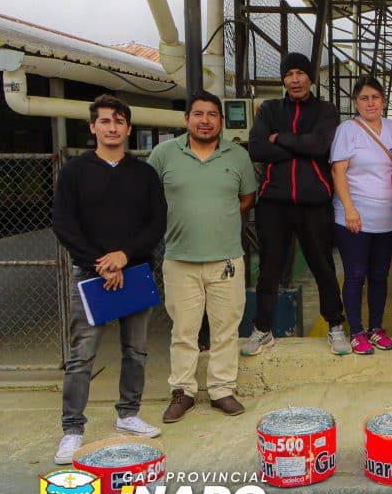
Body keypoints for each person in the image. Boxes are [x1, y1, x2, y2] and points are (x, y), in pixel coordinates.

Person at [51, 94, 167, 464]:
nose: (112, 127)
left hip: (134, 272)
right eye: (105, 121)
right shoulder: (74, 172)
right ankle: (72, 431)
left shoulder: (144, 173)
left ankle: (128, 414)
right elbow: (64, 225)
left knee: (136, 350)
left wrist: (124, 257)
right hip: (90, 274)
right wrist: (101, 263)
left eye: (119, 121)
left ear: (128, 128)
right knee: (82, 356)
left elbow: (157, 223)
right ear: (93, 127)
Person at [149, 91, 257, 422]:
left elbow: (246, 198)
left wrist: (217, 224)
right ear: (187, 120)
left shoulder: (237, 155)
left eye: (212, 114)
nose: (205, 120)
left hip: (226, 259)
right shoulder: (164, 154)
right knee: (185, 329)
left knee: (226, 327)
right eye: (198, 114)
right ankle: (183, 391)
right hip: (179, 259)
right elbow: (149, 196)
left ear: (221, 122)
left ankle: (222, 389)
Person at [243, 52, 348, 357]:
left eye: (301, 73)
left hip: (314, 202)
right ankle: (263, 329)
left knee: (323, 266)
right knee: (269, 268)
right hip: (273, 202)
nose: (295, 79)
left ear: (311, 78)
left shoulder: (325, 110)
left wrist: (281, 138)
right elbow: (257, 148)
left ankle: (335, 326)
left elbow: (320, 145)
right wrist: (299, 146)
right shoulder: (270, 108)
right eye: (289, 74)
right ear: (283, 79)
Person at [330, 77, 392, 354]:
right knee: (355, 275)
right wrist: (349, 209)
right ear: (355, 103)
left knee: (380, 276)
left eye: (375, 97)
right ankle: (357, 331)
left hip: (388, 218)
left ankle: (376, 328)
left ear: (383, 100)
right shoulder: (347, 130)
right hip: (355, 216)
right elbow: (338, 171)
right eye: (364, 98)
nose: (370, 103)